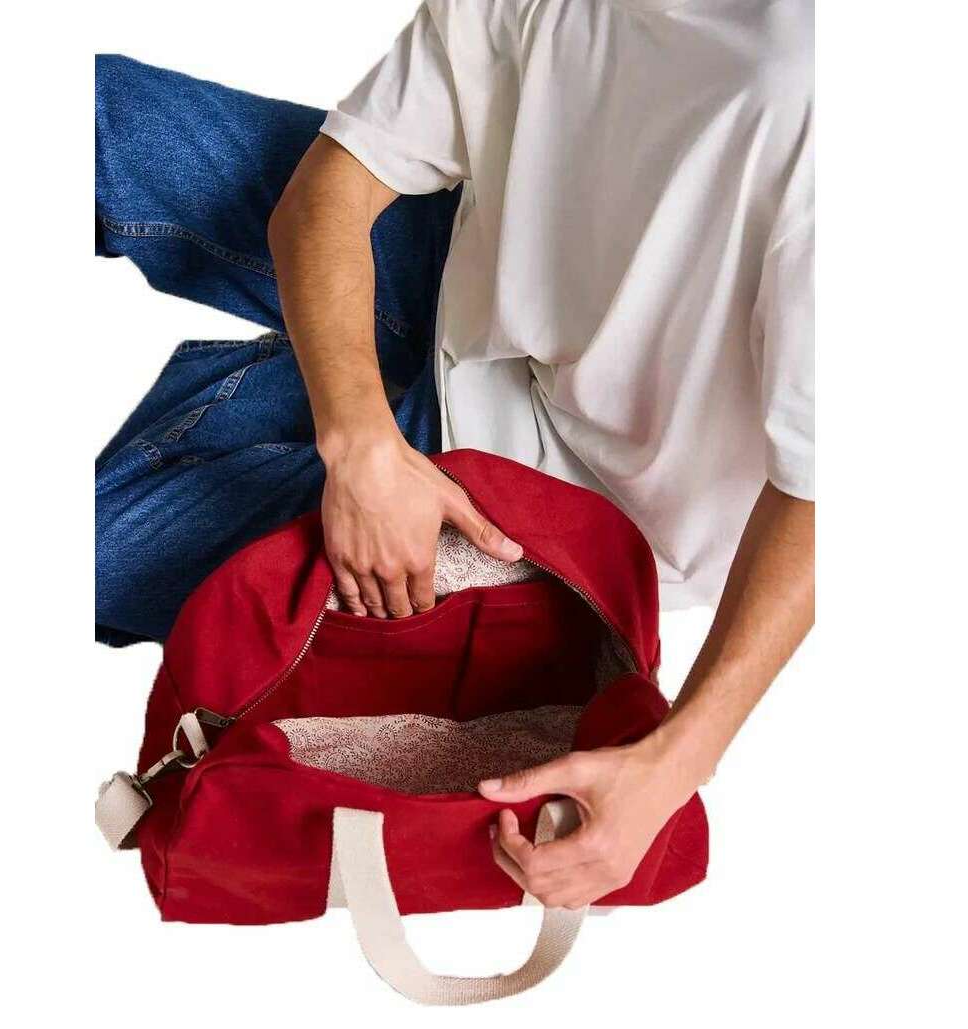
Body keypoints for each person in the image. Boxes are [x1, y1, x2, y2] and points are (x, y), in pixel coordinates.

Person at [96, 0, 813, 909]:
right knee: (104, 120)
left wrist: (675, 761)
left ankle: (256, 403)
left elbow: (826, 490)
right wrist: (358, 443)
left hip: (578, 503)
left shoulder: (810, 97)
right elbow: (328, 193)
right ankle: (282, 401)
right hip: (470, 285)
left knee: (99, 551)